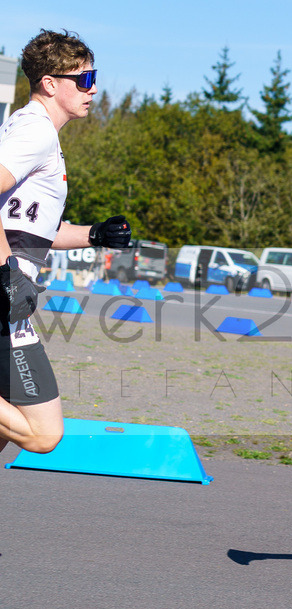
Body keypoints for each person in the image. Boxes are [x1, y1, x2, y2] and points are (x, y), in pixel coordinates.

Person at [0, 30, 131, 454]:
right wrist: (5, 273)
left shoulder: (36, 134)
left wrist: (93, 235)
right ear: (50, 84)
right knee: (42, 431)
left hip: (9, 297)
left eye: (93, 77)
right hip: (5, 297)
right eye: (84, 79)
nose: (92, 89)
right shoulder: (34, 133)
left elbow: (28, 227)